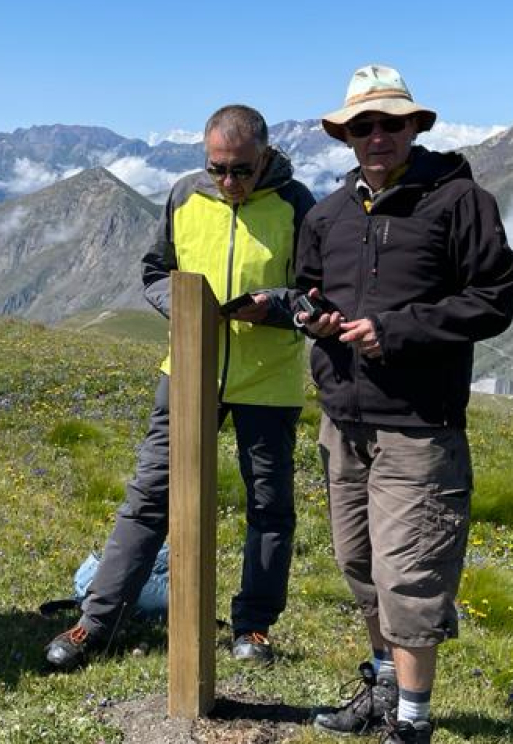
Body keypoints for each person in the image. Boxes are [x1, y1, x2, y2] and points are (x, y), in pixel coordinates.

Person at [44, 104, 316, 671]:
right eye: (217, 168)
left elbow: (318, 292)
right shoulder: (185, 196)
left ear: (264, 156)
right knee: (150, 497)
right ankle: (96, 622)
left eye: (240, 170)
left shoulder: (296, 204)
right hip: (187, 369)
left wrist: (277, 306)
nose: (228, 182)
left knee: (269, 506)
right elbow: (155, 271)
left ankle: (254, 627)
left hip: (268, 379)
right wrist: (185, 309)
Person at [296, 66, 513, 744]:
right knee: (362, 568)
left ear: (415, 127)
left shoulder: (459, 203)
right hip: (345, 421)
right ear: (346, 136)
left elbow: (493, 299)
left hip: (418, 428)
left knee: (411, 577)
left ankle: (413, 725)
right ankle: (382, 692)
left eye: (389, 124)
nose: (376, 137)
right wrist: (315, 320)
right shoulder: (327, 215)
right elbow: (307, 289)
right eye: (362, 126)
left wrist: (394, 332)